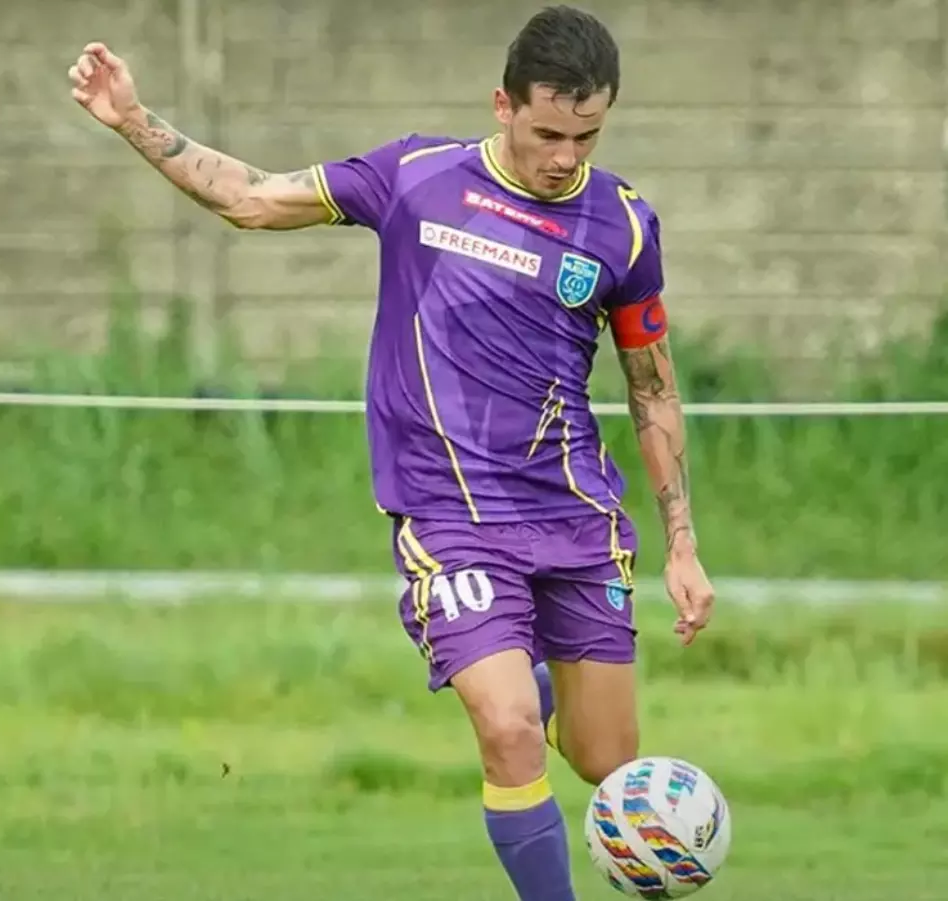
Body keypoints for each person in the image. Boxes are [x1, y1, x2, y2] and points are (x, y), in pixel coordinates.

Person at [69, 5, 714, 900]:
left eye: (587, 136)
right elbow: (253, 198)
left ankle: (523, 669)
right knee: (509, 730)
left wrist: (682, 542)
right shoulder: (416, 176)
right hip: (451, 515)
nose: (566, 157)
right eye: (548, 133)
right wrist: (135, 121)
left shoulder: (625, 225)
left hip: (575, 518)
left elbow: (652, 388)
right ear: (503, 105)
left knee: (606, 759)